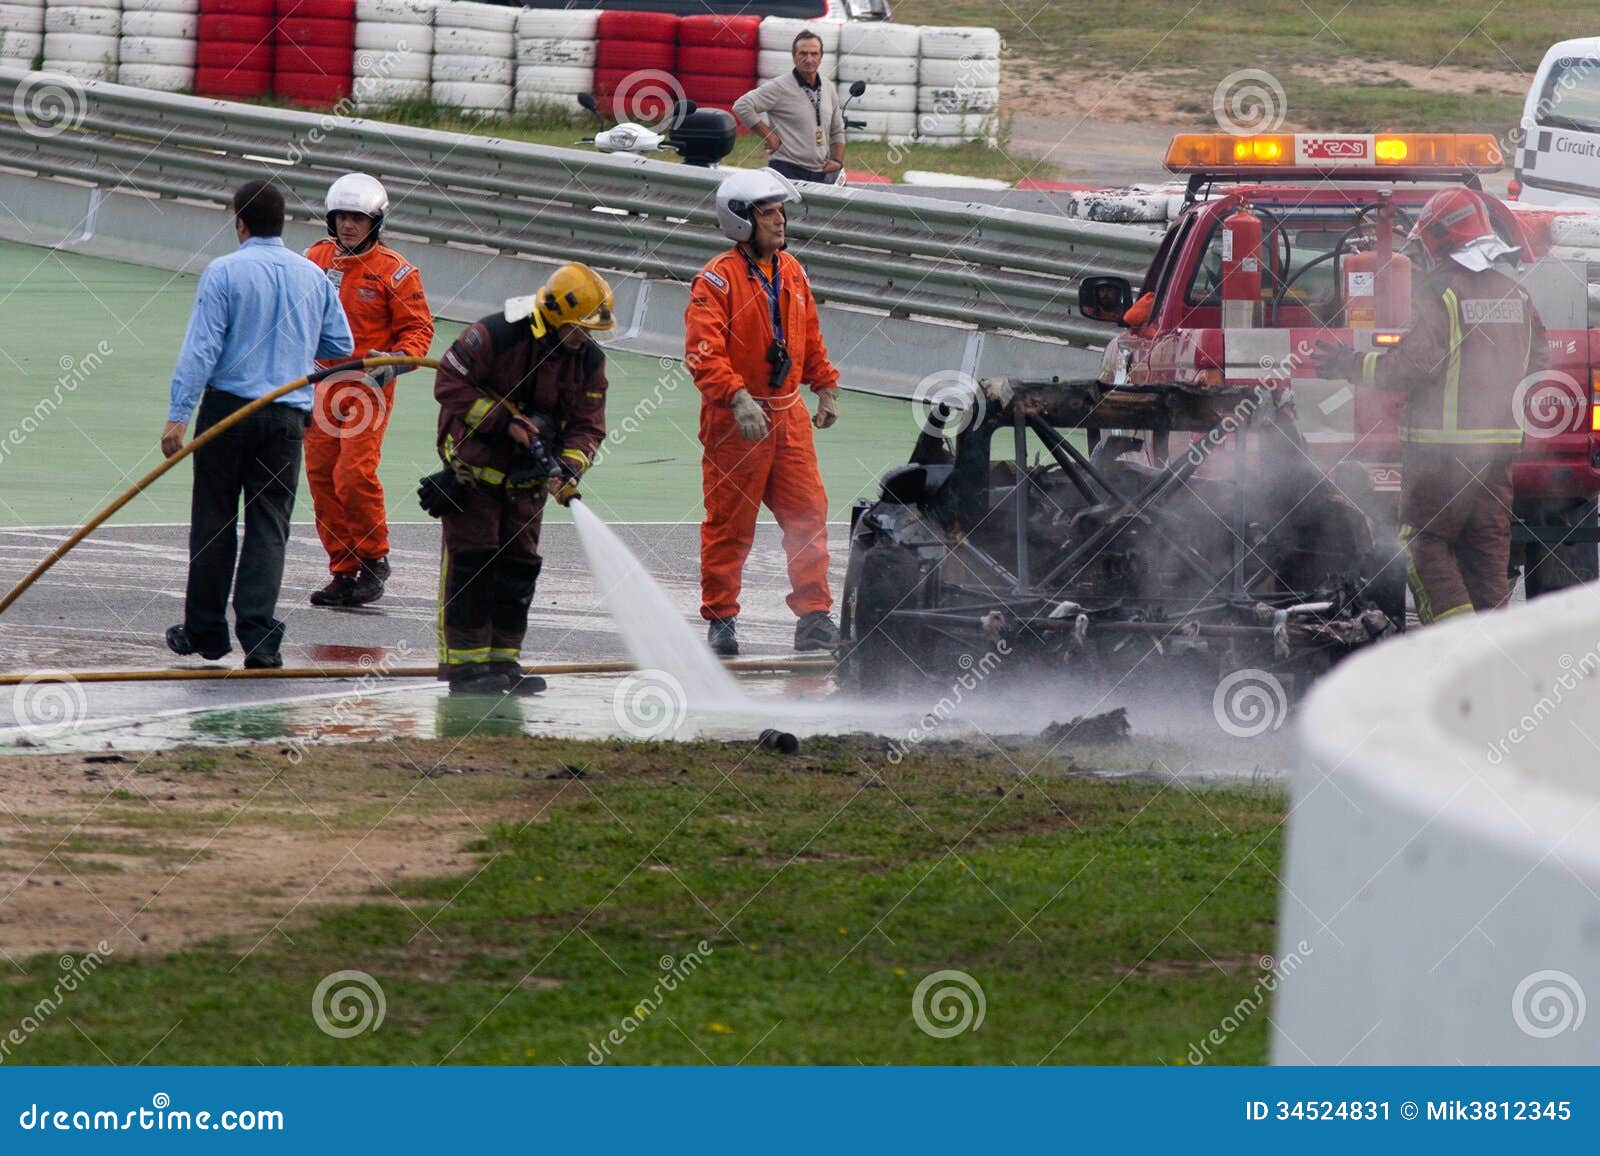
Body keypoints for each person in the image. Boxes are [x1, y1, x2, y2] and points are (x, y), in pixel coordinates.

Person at [1314, 187, 1545, 624]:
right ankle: (1490, 665)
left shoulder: (1442, 294)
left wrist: (1351, 364)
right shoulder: (1516, 296)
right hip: (1497, 457)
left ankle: (1453, 648)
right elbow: (1539, 365)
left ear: (1440, 237)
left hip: (1440, 456)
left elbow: (1413, 366)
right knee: (1486, 563)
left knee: (1425, 547)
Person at [163, 179, 353, 668]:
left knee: (214, 521)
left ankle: (206, 631)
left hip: (228, 411)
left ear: (240, 222)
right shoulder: (311, 275)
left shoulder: (224, 271)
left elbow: (201, 348)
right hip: (287, 416)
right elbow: (340, 345)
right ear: (281, 222)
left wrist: (178, 416)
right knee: (269, 525)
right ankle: (260, 637)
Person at [430, 262, 613, 696]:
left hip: (527, 481)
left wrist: (570, 465)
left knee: (518, 571)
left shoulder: (588, 360)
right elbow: (448, 382)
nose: (584, 338)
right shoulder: (497, 334)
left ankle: (504, 662)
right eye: (578, 328)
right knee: (471, 567)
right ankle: (466, 670)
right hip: (475, 471)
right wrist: (500, 421)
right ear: (553, 315)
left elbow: (589, 424)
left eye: (589, 331)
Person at [684, 168, 842, 657]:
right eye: (768, 212)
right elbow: (702, 351)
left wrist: (826, 386)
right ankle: (722, 621)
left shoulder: (792, 271)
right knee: (729, 525)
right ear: (740, 221)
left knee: (808, 516)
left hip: (787, 415)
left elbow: (808, 334)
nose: (779, 220)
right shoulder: (716, 279)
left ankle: (814, 616)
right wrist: (736, 397)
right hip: (737, 422)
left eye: (780, 211)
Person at [304, 173, 434, 608]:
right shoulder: (314, 259)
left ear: (375, 222)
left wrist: (394, 362)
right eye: (341, 216)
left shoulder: (396, 272)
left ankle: (374, 558)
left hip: (367, 389)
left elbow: (419, 331)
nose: (348, 225)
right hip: (320, 384)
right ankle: (343, 570)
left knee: (353, 475)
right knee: (322, 476)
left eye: (358, 218)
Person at [732, 30, 845, 186]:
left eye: (814, 54)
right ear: (794, 56)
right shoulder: (779, 86)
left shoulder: (828, 87)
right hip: (786, 170)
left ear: (821, 57)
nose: (809, 59)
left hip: (820, 172)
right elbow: (742, 106)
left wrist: (837, 161)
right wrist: (769, 136)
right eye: (803, 54)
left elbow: (837, 129)